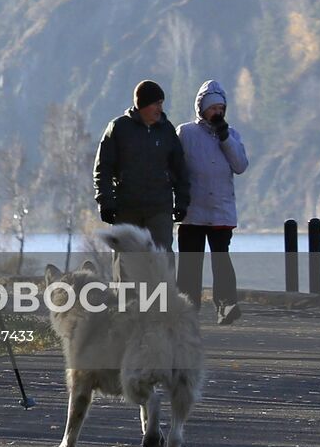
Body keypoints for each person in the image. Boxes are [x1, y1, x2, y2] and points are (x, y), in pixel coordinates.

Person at [175, 81, 249, 324]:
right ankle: (187, 308)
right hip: (192, 210)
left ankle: (226, 305)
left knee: (221, 259)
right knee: (190, 264)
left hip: (221, 209)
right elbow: (174, 166)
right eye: (213, 108)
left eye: (221, 108)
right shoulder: (186, 132)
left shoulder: (232, 134)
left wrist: (225, 138)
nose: (218, 112)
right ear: (202, 108)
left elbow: (240, 166)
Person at [93, 79, 189, 254]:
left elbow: (180, 169)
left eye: (161, 104)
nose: (160, 109)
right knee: (125, 263)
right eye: (156, 104)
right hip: (126, 208)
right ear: (142, 104)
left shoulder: (167, 130)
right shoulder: (118, 128)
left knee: (161, 261)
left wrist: (182, 202)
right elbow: (103, 168)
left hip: (160, 208)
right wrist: (105, 203)